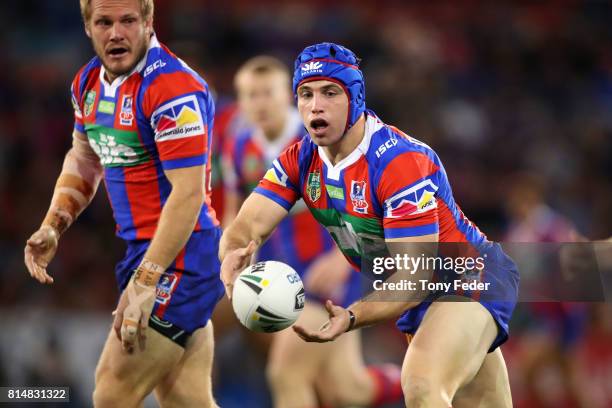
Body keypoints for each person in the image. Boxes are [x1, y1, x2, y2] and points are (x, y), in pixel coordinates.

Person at [220, 42, 519, 407]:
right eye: (306, 94)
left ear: (356, 98)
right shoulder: (299, 159)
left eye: (330, 93)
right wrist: (233, 257)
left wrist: (351, 316)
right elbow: (247, 224)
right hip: (420, 299)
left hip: (467, 276)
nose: (316, 105)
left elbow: (415, 278)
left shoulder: (398, 162)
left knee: (422, 385)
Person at [23, 0, 223, 406]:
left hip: (180, 258)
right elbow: (83, 157)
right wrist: (53, 223)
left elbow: (187, 194)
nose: (116, 33)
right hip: (143, 253)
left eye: (128, 21)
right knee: (187, 400)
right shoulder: (86, 84)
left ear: (148, 23)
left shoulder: (173, 89)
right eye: (104, 22)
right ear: (87, 28)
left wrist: (146, 281)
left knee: (111, 389)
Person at [220, 55, 402, 407]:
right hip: (277, 276)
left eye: (267, 93)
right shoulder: (238, 148)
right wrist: (235, 254)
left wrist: (340, 259)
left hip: (325, 275)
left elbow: (364, 206)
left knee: (286, 373)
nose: (259, 104)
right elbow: (236, 216)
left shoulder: (319, 136)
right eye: (250, 95)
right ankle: (406, 380)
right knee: (345, 390)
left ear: (287, 96)